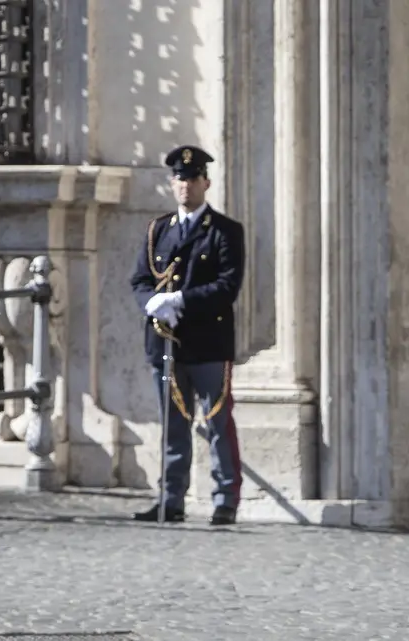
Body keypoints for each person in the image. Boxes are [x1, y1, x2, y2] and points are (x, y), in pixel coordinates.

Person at [129, 144, 246, 526]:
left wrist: (181, 299)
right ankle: (170, 499)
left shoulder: (226, 231)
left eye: (192, 179)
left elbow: (228, 286)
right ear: (172, 183)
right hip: (166, 343)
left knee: (217, 422)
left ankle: (225, 498)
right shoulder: (158, 230)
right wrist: (150, 302)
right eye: (179, 178)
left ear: (206, 183)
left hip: (208, 344)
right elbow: (140, 280)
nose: (185, 185)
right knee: (173, 426)